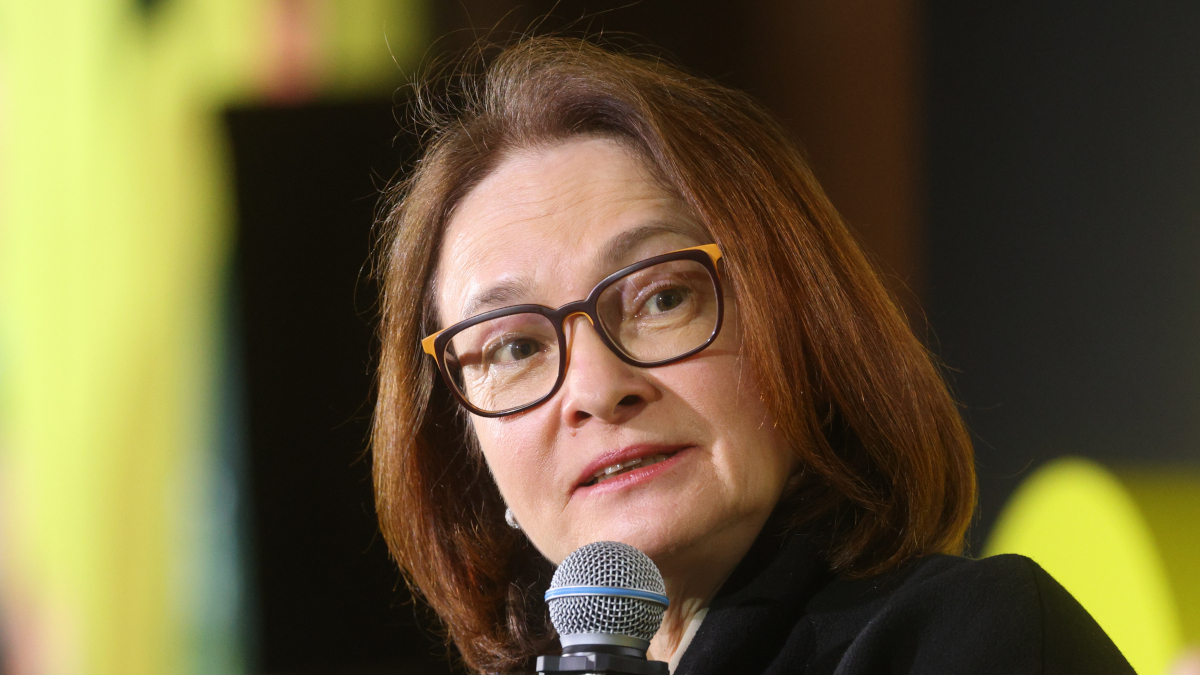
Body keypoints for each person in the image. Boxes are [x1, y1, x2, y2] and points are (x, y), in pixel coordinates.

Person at [371, 37, 1132, 675]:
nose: (597, 388)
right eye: (515, 346)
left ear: (799, 323)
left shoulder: (972, 640)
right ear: (468, 451)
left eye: (663, 298)